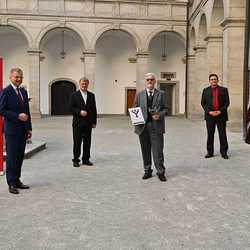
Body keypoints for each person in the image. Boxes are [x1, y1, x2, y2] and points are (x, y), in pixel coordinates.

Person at [0, 68, 32, 194]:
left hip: (23, 130)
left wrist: (29, 128)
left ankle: (17, 179)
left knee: (19, 157)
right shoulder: (5, 92)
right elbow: (1, 110)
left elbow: (27, 111)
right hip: (12, 130)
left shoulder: (23, 92)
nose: (19, 79)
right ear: (10, 77)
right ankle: (11, 183)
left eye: (21, 77)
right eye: (16, 77)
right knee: (12, 156)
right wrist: (18, 116)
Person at [132, 73, 169, 182]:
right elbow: (135, 108)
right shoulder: (139, 94)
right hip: (142, 126)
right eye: (148, 79)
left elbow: (166, 109)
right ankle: (147, 170)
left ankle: (161, 172)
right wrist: (134, 118)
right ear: (145, 81)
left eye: (151, 79)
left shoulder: (161, 94)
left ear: (155, 81)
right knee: (145, 150)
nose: (149, 81)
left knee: (158, 151)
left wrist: (160, 115)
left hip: (156, 126)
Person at [68, 77, 97, 167]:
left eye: (86, 84)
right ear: (79, 84)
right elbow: (70, 108)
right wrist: (79, 112)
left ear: (88, 85)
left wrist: (94, 122)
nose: (84, 85)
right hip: (78, 123)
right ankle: (76, 160)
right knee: (77, 142)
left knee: (87, 142)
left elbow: (94, 109)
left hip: (88, 123)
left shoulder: (91, 95)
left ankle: (86, 159)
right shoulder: (74, 95)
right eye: (82, 84)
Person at [201, 73, 230, 159]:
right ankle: (210, 152)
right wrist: (209, 112)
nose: (214, 81)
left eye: (215, 79)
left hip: (221, 116)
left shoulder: (224, 90)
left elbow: (227, 102)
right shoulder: (205, 91)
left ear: (218, 80)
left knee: (222, 134)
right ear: (209, 81)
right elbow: (203, 103)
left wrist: (220, 111)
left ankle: (224, 152)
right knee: (210, 134)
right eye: (212, 79)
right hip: (210, 116)